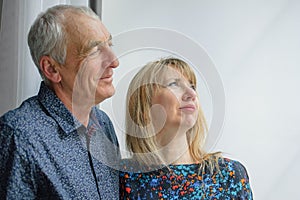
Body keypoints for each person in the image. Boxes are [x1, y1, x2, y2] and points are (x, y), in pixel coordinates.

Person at [0, 5, 120, 199]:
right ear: (52, 69)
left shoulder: (104, 125)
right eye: (94, 50)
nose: (114, 61)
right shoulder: (18, 134)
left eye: (109, 45)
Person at [119, 57, 253, 199]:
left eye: (192, 86)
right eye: (173, 84)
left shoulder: (228, 175)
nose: (192, 94)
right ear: (145, 108)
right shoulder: (123, 177)